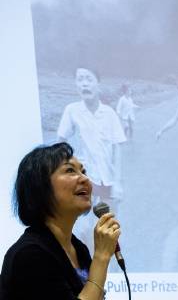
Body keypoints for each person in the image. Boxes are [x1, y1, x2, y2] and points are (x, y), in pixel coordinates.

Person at [0, 142, 121, 299]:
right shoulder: (29, 255)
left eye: (84, 171)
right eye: (70, 170)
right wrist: (101, 256)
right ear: (40, 186)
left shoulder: (79, 249)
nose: (85, 178)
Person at [57, 67, 126, 250]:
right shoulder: (72, 111)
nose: (84, 83)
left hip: (107, 179)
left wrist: (118, 182)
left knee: (107, 229)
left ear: (98, 84)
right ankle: (84, 273)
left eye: (88, 79)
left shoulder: (109, 114)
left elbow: (118, 148)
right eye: (80, 79)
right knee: (83, 228)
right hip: (83, 179)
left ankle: (105, 273)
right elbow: (60, 143)